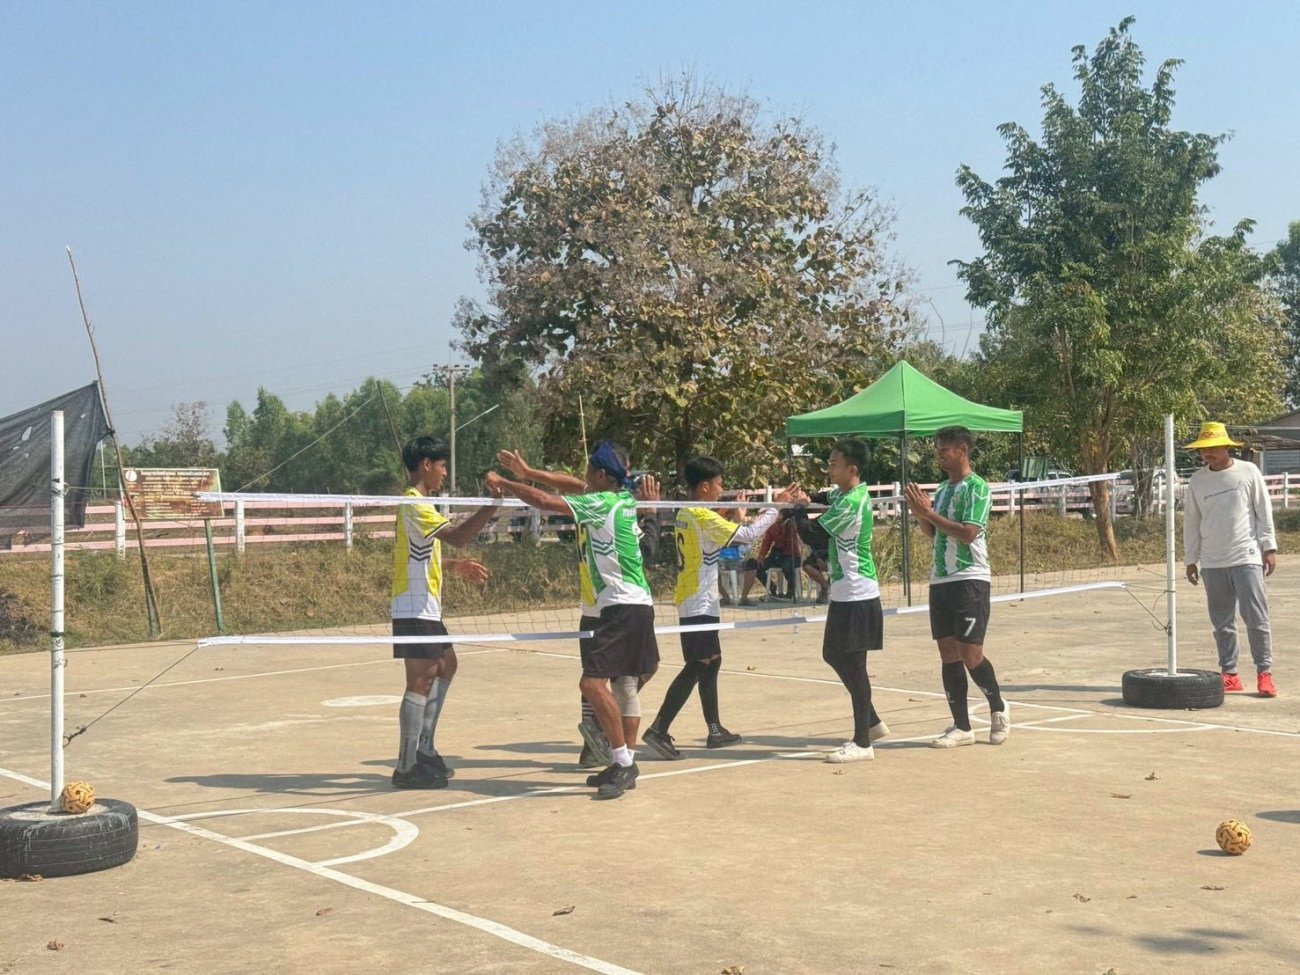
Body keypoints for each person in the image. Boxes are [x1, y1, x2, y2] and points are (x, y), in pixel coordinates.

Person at [487, 441, 659, 800]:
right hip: (625, 604)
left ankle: (623, 761)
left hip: (622, 606)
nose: (583, 475)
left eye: (588, 469)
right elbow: (567, 484)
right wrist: (529, 472)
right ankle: (621, 761)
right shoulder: (619, 497)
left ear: (601, 474)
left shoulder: (601, 503)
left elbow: (546, 501)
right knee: (615, 685)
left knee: (592, 685)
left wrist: (505, 484)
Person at [641, 456, 799, 759]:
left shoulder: (687, 512)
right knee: (698, 662)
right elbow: (747, 536)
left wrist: (736, 516)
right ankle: (659, 728)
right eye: (719, 485)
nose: (721, 490)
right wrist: (775, 507)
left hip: (702, 597)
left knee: (712, 660)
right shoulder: (700, 514)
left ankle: (715, 729)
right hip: (696, 599)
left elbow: (716, 541)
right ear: (704, 486)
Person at [390, 436, 501, 789]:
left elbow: (426, 552)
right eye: (441, 466)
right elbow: (457, 536)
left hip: (426, 606)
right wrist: (492, 505)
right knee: (420, 680)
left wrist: (455, 566)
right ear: (426, 465)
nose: (444, 473)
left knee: (447, 665)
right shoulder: (414, 504)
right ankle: (405, 767)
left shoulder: (423, 505)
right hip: (413, 605)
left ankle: (424, 748)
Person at [904, 426, 1009, 748]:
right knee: (947, 652)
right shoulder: (943, 490)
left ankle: (998, 706)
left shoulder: (977, 488)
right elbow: (934, 533)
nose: (938, 455)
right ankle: (962, 726)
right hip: (941, 579)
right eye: (937, 449)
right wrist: (920, 515)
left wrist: (929, 513)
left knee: (970, 652)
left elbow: (967, 533)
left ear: (962, 449)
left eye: (944, 449)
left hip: (969, 578)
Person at [791, 438, 890, 763]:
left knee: (855, 666)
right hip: (843, 592)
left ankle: (862, 742)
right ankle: (871, 722)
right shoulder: (842, 494)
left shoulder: (853, 502)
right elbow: (824, 497)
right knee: (832, 654)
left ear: (853, 469)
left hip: (859, 592)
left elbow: (812, 534)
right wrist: (805, 498)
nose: (829, 469)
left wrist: (798, 511)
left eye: (834, 464)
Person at [1183, 421, 1278, 697]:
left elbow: (1263, 510)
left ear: (1226, 447)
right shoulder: (1197, 480)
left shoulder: (1248, 472)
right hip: (1212, 562)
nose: (1207, 453)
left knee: (1256, 618)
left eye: (1212, 448)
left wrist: (1268, 547)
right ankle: (1230, 674)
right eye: (1203, 449)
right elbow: (1192, 521)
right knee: (1222, 622)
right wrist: (1191, 559)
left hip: (1246, 557)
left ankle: (1264, 673)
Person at [739, 514, 803, 603]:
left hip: (792, 555)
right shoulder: (772, 526)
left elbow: (794, 537)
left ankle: (790, 592)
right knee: (757, 566)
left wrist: (788, 525)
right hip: (777, 555)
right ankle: (772, 588)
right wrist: (761, 557)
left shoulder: (792, 523)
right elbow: (766, 542)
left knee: (787, 568)